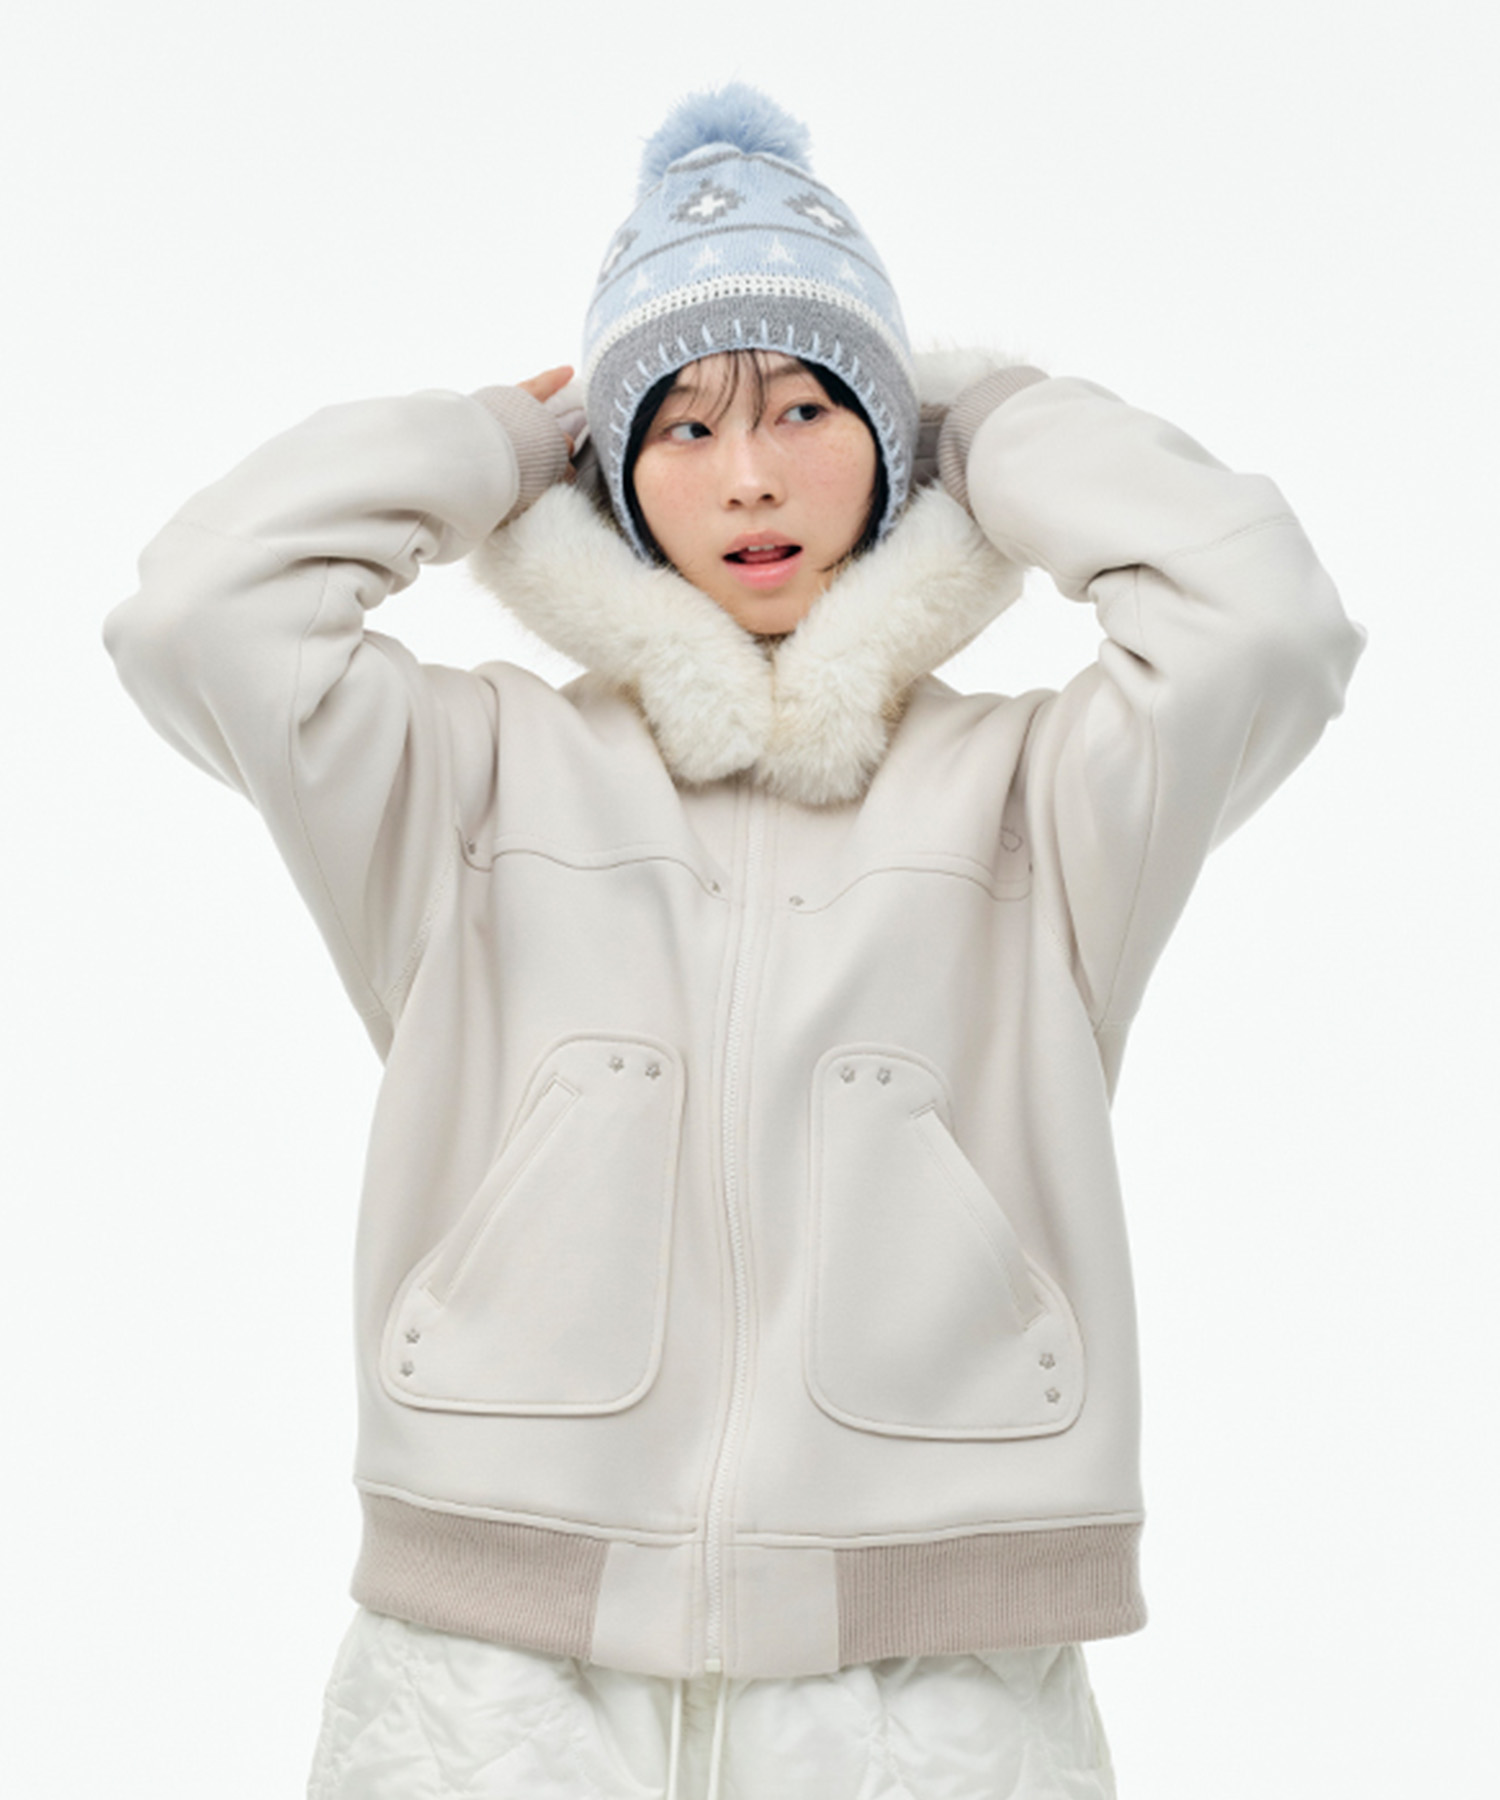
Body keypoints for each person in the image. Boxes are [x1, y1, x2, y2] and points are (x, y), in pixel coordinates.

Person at [105, 84, 1364, 1800]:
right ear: (614, 473)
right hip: (493, 1671)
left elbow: (1264, 627)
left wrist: (997, 424)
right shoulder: (467, 781)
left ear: (896, 446)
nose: (751, 473)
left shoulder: (1040, 805)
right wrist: (492, 444)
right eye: (682, 424)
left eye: (810, 407)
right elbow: (200, 615)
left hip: (928, 1676)